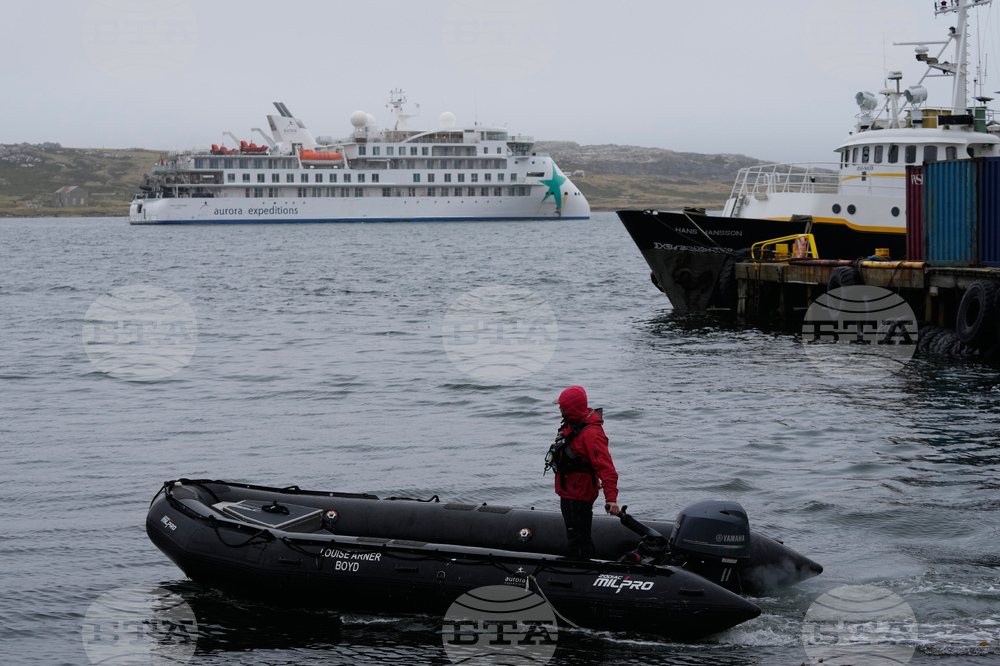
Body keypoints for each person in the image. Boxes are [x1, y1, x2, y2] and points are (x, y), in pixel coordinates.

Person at [549, 386, 620, 559]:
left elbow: (607, 468)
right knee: (576, 537)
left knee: (579, 539)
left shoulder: (591, 434)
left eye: (562, 406)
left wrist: (611, 498)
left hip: (579, 496)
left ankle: (584, 572)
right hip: (568, 493)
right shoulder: (571, 425)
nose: (559, 409)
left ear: (570, 408)